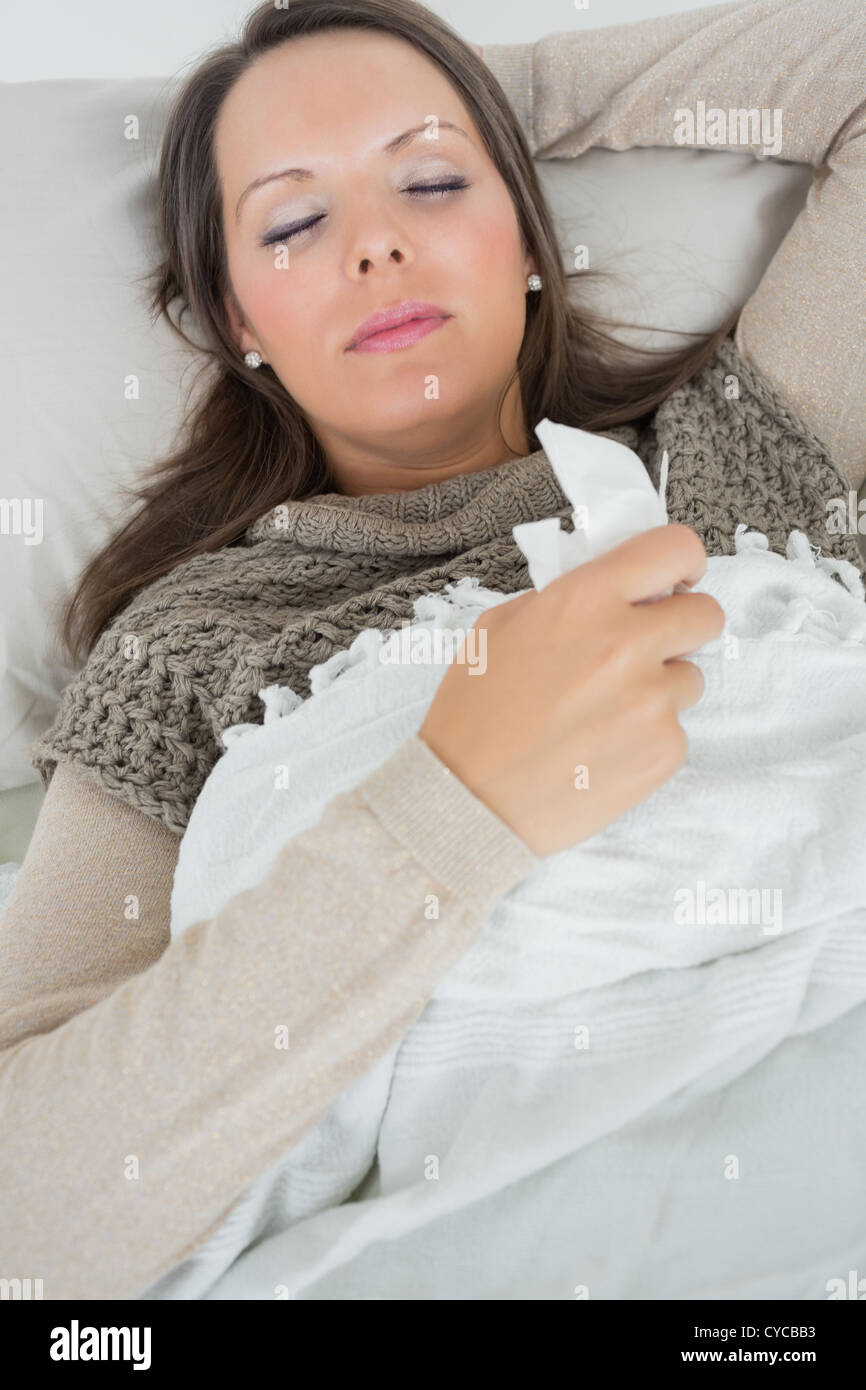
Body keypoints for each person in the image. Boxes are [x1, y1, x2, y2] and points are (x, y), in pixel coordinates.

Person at [1, 0, 863, 1300]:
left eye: (433, 181)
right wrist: (457, 805)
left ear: (526, 230)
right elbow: (32, 1215)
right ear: (238, 318)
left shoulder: (742, 449)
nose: (379, 243)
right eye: (296, 220)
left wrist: (497, 92)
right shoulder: (186, 648)